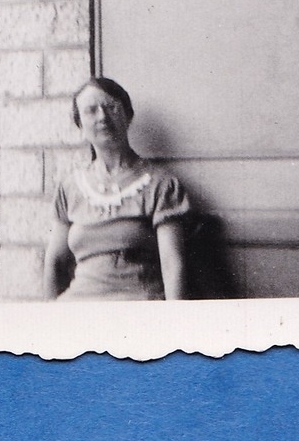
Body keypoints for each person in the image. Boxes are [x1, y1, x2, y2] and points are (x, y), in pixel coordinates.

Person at [43, 77, 191, 300]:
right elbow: (54, 262)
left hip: (137, 308)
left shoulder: (161, 184)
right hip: (78, 307)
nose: (102, 116)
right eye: (91, 111)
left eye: (111, 107)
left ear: (128, 116)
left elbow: (172, 265)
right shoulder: (70, 187)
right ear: (80, 125)